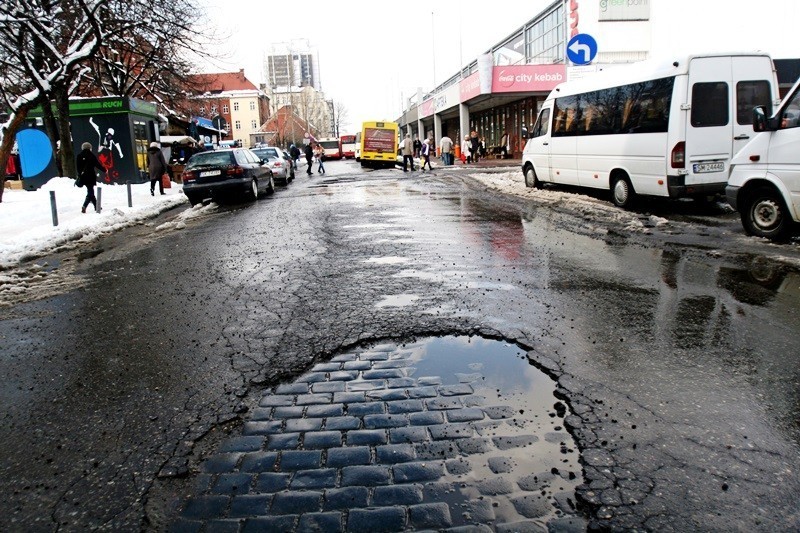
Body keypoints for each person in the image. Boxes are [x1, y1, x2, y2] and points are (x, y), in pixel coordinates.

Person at [75, 141, 104, 213]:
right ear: (90, 148)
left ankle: (97, 206)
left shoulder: (79, 156)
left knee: (91, 191)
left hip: (83, 177)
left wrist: (79, 175)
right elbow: (97, 165)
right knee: (90, 191)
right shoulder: (92, 156)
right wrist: (104, 170)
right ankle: (84, 205)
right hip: (91, 177)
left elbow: (78, 167)